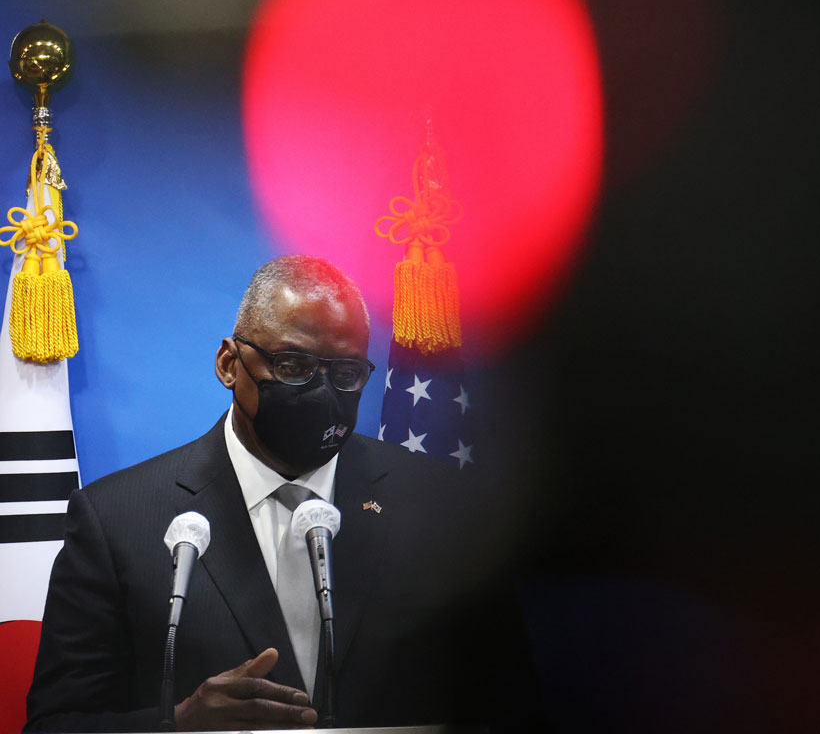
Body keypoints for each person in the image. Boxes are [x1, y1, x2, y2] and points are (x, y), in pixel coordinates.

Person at [24, 255, 532, 732]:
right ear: (229, 364)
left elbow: (510, 704)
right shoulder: (116, 519)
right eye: (292, 365)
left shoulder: (442, 506)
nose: (321, 390)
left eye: (346, 373)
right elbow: (55, 724)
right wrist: (177, 723)